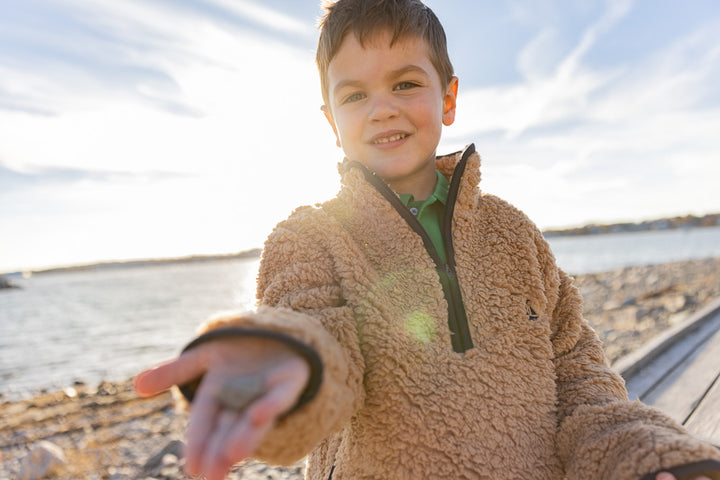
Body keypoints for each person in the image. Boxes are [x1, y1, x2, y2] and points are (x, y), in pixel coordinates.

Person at [135, 1, 720, 479]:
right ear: (330, 121)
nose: (382, 108)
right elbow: (316, 340)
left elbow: (581, 381)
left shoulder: (512, 232)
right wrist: (288, 363)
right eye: (355, 95)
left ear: (448, 97)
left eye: (405, 83)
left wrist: (643, 456)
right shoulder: (309, 237)